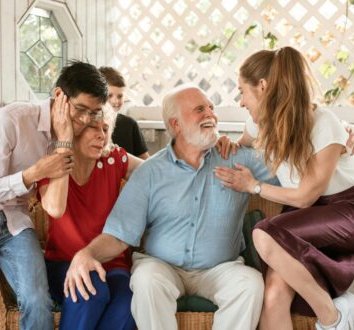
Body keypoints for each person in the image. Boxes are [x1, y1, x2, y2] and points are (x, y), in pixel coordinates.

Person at [62, 84, 281, 330]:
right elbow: (119, 234)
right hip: (162, 266)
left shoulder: (237, 158)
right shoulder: (150, 172)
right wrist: (87, 254)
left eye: (211, 108)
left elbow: (290, 171)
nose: (210, 114)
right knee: (145, 280)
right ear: (176, 124)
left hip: (221, 268)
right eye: (200, 109)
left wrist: (255, 171)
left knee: (250, 284)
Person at [214, 47, 354, 330]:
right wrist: (225, 141)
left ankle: (332, 318)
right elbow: (242, 141)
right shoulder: (260, 124)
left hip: (347, 212)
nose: (241, 101)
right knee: (272, 296)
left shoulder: (325, 124)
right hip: (302, 221)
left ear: (263, 87)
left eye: (242, 92)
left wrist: (254, 186)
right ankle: (336, 309)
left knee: (263, 234)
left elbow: (306, 197)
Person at [0, 60, 107, 329]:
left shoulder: (73, 137)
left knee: (37, 302)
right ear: (59, 95)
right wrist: (31, 174)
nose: (84, 120)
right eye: (80, 109)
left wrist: (65, 141)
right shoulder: (12, 120)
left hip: (15, 223)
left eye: (93, 113)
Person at [38, 105, 142, 330]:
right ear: (75, 131)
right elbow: (52, 207)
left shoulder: (113, 159)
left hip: (113, 264)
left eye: (105, 129)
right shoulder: (54, 163)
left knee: (130, 304)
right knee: (91, 290)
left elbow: (154, 171)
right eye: (93, 127)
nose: (101, 135)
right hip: (62, 263)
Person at [98, 66, 150, 159]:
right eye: (109, 95)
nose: (115, 101)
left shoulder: (130, 124)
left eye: (120, 96)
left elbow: (145, 161)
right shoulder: (91, 125)